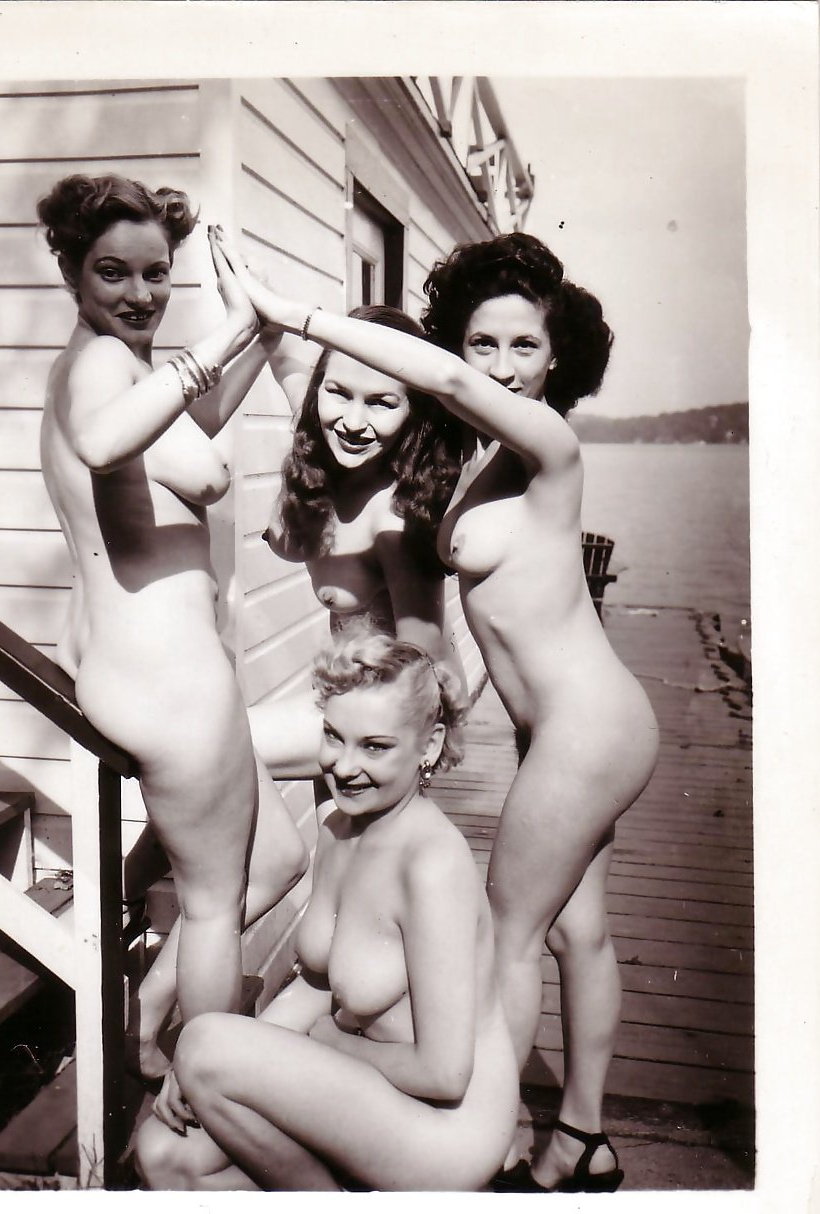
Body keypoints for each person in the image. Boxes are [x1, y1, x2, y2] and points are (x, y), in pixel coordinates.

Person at [213, 228, 659, 1192]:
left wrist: (301, 312)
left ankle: (480, 1147)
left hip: (587, 725)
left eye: (525, 346)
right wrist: (275, 337)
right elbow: (355, 416)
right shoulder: (476, 456)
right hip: (566, 724)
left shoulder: (550, 447)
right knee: (578, 930)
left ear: (559, 358)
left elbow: (445, 383)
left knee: (510, 932)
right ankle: (582, 1139)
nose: (501, 365)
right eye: (483, 343)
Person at [36, 176, 307, 1089]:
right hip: (166, 682)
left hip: (149, 672)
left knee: (277, 859)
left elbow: (190, 426)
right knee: (216, 906)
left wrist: (257, 323)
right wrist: (226, 335)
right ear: (70, 271)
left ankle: (143, 1017)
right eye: (112, 272)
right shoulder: (99, 372)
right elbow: (110, 444)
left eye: (157, 273)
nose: (140, 293)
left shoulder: (113, 366)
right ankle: (205, 1106)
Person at [134, 629, 519, 1192]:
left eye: (375, 747)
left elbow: (444, 1073)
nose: (344, 765)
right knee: (166, 1154)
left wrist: (323, 1044)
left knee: (203, 1043)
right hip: (371, 1089)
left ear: (430, 746)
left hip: (446, 1129)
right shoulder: (341, 829)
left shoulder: (432, 865)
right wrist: (213, 1072)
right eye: (334, 736)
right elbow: (317, 983)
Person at [248, 305, 464, 778]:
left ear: (414, 411)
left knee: (214, 748)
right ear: (318, 389)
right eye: (338, 392)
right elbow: (281, 353)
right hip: (343, 697)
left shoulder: (393, 524)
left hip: (387, 718)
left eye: (382, 403)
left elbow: (426, 668)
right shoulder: (323, 438)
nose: (352, 420)